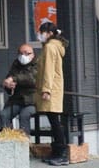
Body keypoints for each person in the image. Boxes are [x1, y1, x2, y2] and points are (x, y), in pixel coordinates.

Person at [35, 21, 69, 166]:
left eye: (42, 32)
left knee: (55, 122)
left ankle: (62, 154)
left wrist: (46, 90)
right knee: (54, 121)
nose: (40, 35)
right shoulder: (55, 46)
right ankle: (56, 152)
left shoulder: (49, 47)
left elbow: (48, 70)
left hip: (51, 89)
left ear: (49, 34)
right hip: (55, 88)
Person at [0, 43, 37, 135]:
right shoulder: (16, 64)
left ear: (33, 54)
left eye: (26, 53)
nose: (23, 56)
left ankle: (24, 142)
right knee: (4, 114)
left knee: (24, 115)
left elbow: (31, 79)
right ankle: (8, 139)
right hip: (17, 100)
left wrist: (14, 79)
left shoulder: (37, 64)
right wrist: (8, 85)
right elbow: (9, 77)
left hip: (33, 101)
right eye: (21, 53)